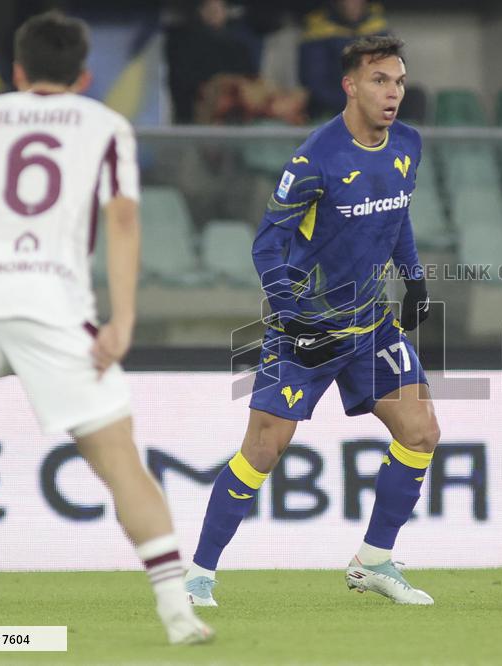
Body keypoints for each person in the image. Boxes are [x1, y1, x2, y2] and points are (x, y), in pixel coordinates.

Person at [0, 11, 212, 646]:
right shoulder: (105, 125)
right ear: (84, 75)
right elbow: (122, 219)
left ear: (17, 71)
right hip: (53, 306)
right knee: (119, 459)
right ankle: (177, 612)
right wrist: (122, 319)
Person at [185, 35, 439, 606]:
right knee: (263, 449)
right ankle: (199, 575)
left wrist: (415, 279)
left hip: (369, 325)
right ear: (350, 86)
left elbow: (396, 214)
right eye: (379, 80)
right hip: (305, 329)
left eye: (399, 81)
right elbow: (266, 247)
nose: (393, 92)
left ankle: (374, 561)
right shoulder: (314, 159)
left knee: (421, 431)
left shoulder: (408, 144)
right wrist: (293, 318)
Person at [299, 0, 389, 119]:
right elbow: (315, 83)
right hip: (331, 108)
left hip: (372, 105)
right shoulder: (318, 33)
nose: (354, 3)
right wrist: (355, 104)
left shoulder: (378, 29)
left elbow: (390, 74)